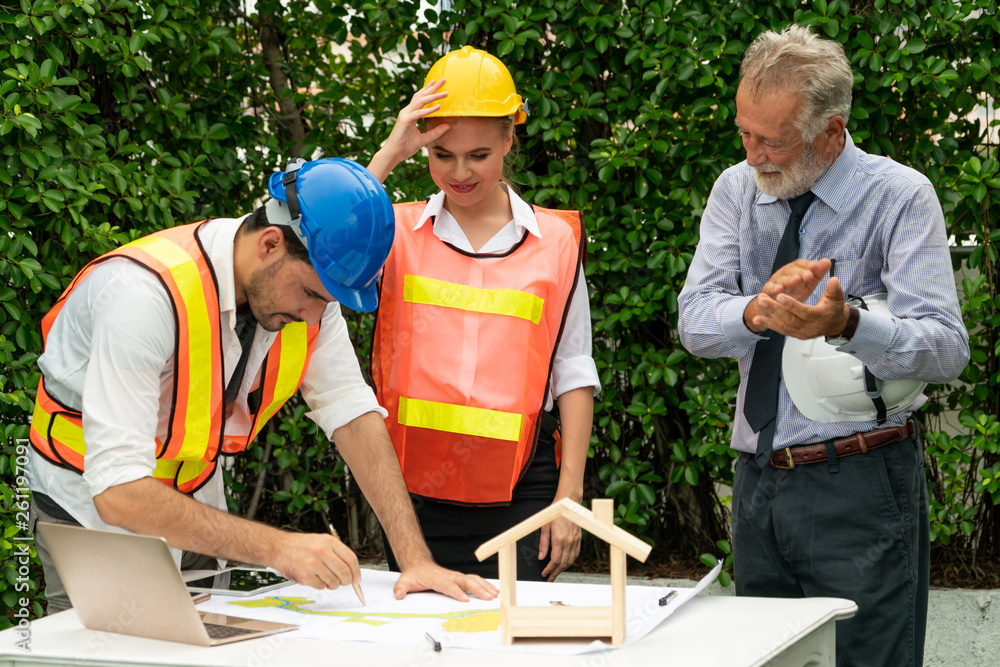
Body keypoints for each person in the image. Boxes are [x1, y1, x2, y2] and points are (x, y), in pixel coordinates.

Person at [28, 157, 497, 614]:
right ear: (270, 244)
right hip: (88, 513)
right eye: (312, 293)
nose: (315, 316)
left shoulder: (304, 291)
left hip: (192, 506)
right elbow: (118, 490)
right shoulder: (141, 296)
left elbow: (353, 414)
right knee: (103, 654)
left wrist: (415, 559)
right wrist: (278, 547)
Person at [677, 25, 969, 667]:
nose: (753, 155)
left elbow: (947, 347)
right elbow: (695, 323)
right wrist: (757, 310)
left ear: (831, 132)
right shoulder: (735, 190)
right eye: (744, 133)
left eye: (771, 140)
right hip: (756, 484)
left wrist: (847, 325)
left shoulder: (900, 196)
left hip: (860, 483)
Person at [364, 46, 601, 581]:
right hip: (409, 497)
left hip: (523, 493)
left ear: (509, 139)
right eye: (441, 154)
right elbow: (319, 247)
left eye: (478, 154)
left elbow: (574, 370)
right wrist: (390, 152)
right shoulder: (394, 231)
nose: (459, 172)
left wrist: (570, 496)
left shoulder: (556, 242)